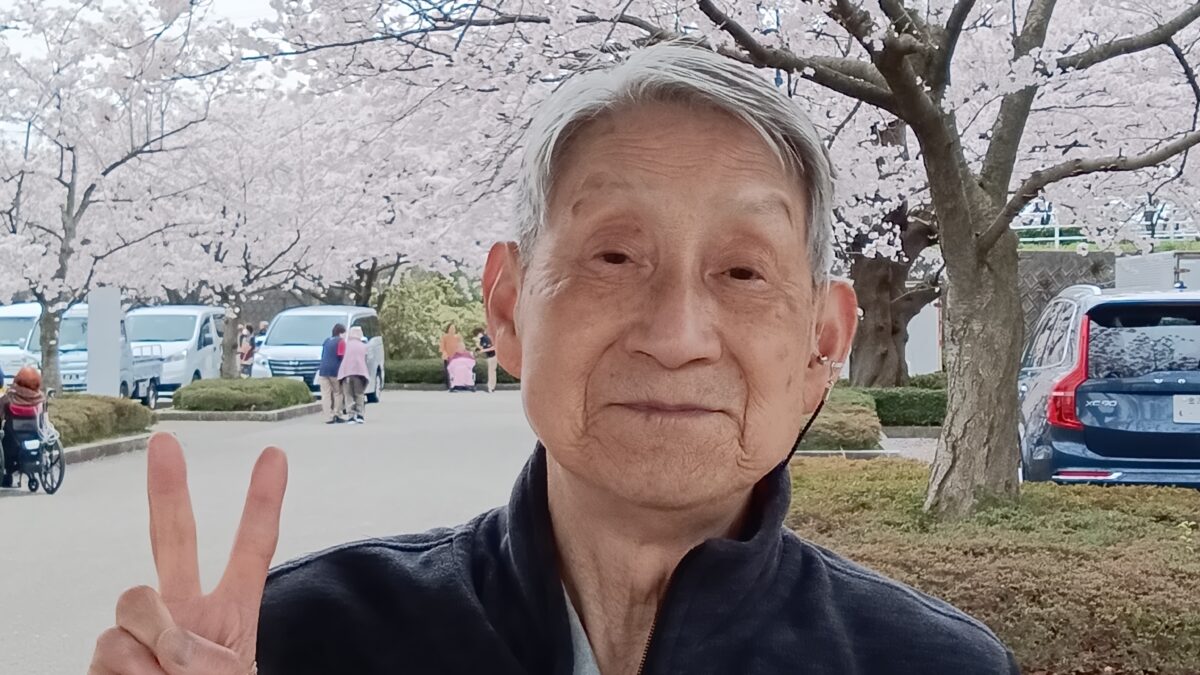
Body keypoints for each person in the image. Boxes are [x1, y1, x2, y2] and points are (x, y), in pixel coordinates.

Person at [88, 44, 1019, 675]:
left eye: (742, 271)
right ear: (508, 306)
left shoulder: (934, 665)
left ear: (823, 342)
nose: (677, 334)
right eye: (613, 256)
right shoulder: (303, 642)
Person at [1, 366, 44, 488]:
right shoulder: (41, 400)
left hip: (12, 443)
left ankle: (8, 475)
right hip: (35, 436)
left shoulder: (8, 398)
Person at [337, 325, 370, 424]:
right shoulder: (363, 346)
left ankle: (351, 416)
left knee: (348, 395)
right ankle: (360, 415)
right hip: (360, 373)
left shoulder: (346, 344)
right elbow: (365, 360)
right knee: (359, 394)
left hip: (346, 373)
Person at [317, 323, 347, 424]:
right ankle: (337, 414)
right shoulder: (341, 341)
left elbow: (323, 355)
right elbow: (341, 356)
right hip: (335, 370)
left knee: (325, 394)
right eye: (344, 333)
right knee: (338, 392)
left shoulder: (326, 340)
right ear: (340, 333)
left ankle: (328, 417)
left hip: (323, 370)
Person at [438, 322, 465, 390]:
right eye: (451, 328)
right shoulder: (444, 337)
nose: (452, 330)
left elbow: (461, 346)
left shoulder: (458, 337)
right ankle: (449, 385)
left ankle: (456, 385)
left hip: (456, 357)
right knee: (448, 371)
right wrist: (445, 353)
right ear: (448, 329)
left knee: (456, 371)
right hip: (447, 356)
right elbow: (442, 347)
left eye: (454, 328)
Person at [474, 328, 497, 393]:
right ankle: (491, 387)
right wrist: (478, 347)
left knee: (491, 372)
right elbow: (483, 347)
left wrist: (483, 350)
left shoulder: (486, 338)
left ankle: (491, 387)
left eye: (477, 334)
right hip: (489, 357)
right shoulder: (482, 340)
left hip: (493, 356)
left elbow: (493, 347)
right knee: (491, 372)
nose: (477, 336)